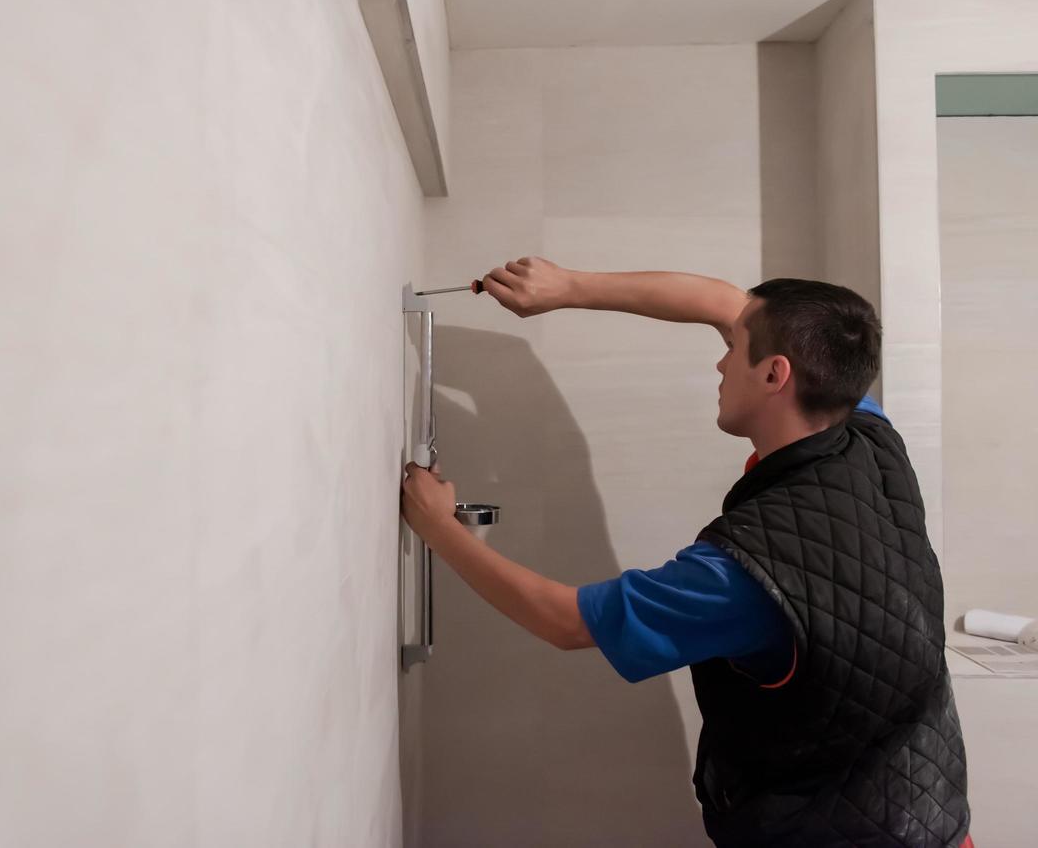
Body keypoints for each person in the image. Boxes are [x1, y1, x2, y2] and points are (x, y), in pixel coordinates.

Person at [400, 257, 973, 848]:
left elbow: (566, 621)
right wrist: (568, 286)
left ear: (776, 374)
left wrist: (439, 527)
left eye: (735, 350)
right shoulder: (868, 436)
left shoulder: (747, 573)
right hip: (933, 814)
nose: (721, 360)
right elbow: (726, 304)